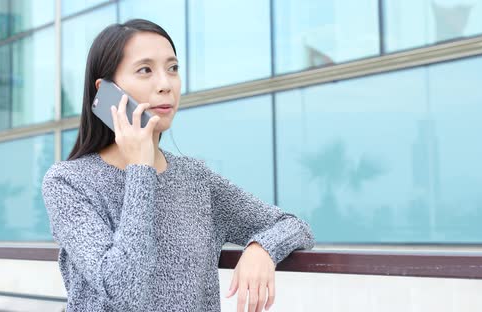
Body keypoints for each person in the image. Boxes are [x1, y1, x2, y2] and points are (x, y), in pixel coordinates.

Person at [42, 19, 315, 312]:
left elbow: (294, 226)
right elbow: (123, 290)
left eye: (172, 68)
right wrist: (141, 169)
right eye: (145, 70)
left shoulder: (195, 179)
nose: (165, 84)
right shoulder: (68, 183)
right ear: (107, 91)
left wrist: (261, 249)